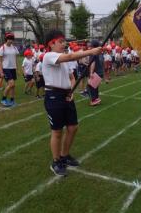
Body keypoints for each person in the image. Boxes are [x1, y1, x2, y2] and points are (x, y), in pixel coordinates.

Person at [42, 30, 102, 176]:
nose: (64, 44)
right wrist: (91, 51)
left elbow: (71, 77)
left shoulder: (63, 60)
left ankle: (65, 155)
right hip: (53, 96)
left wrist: (71, 92)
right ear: (52, 43)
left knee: (73, 127)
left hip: (66, 95)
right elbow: (69, 56)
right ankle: (56, 162)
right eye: (61, 41)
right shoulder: (49, 56)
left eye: (64, 41)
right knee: (57, 131)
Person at [0, 32, 19, 107]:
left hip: (13, 68)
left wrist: (17, 68)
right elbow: (0, 61)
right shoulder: (2, 48)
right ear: (6, 39)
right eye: (9, 39)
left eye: (12, 39)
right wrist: (1, 72)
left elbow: (16, 58)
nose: (10, 40)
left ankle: (12, 100)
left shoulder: (14, 48)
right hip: (6, 68)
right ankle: (3, 99)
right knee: (11, 84)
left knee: (13, 86)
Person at [87, 40, 104, 106]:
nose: (89, 46)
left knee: (90, 86)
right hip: (100, 72)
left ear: (93, 46)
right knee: (95, 86)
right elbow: (102, 62)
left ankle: (94, 100)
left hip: (96, 72)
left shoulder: (93, 53)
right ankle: (97, 99)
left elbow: (93, 63)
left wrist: (91, 72)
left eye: (90, 45)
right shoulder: (100, 52)